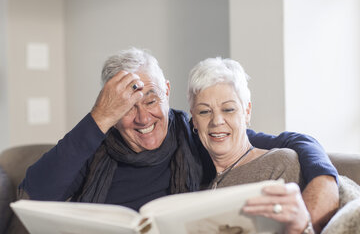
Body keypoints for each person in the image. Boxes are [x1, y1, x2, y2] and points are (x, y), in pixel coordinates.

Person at [19, 48, 337, 229]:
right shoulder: (93, 144)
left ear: (168, 91)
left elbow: (286, 142)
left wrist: (323, 173)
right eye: (127, 108)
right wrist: (100, 118)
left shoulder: (194, 132)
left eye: (152, 100)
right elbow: (35, 192)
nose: (144, 118)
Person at [188, 57, 338, 233]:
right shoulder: (196, 173)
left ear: (247, 112)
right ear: (194, 121)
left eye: (228, 109)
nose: (217, 121)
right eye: (204, 111)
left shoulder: (278, 163)